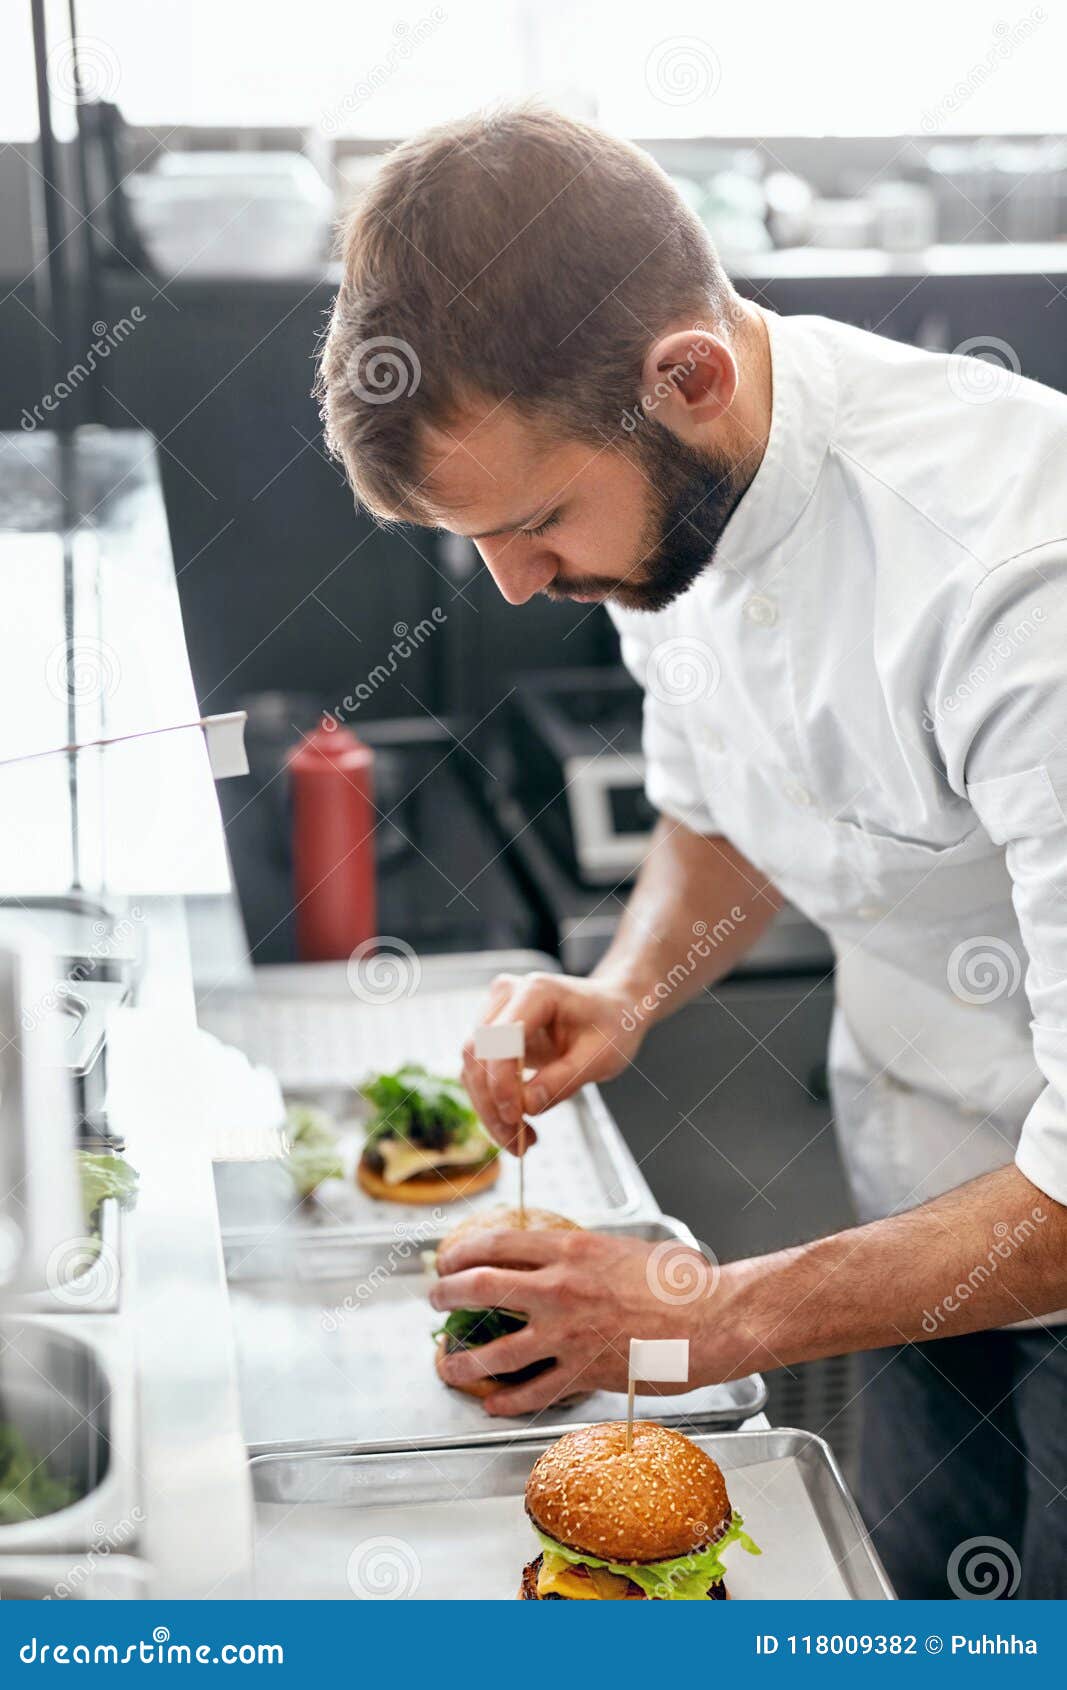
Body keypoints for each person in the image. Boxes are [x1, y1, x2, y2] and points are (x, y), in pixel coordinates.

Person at [317, 106, 1067, 1598]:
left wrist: (703, 1318)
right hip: (916, 1221)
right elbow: (727, 810)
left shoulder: (1015, 582)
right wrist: (629, 989)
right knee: (924, 1601)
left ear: (690, 378)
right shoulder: (677, 503)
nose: (515, 585)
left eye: (537, 522)